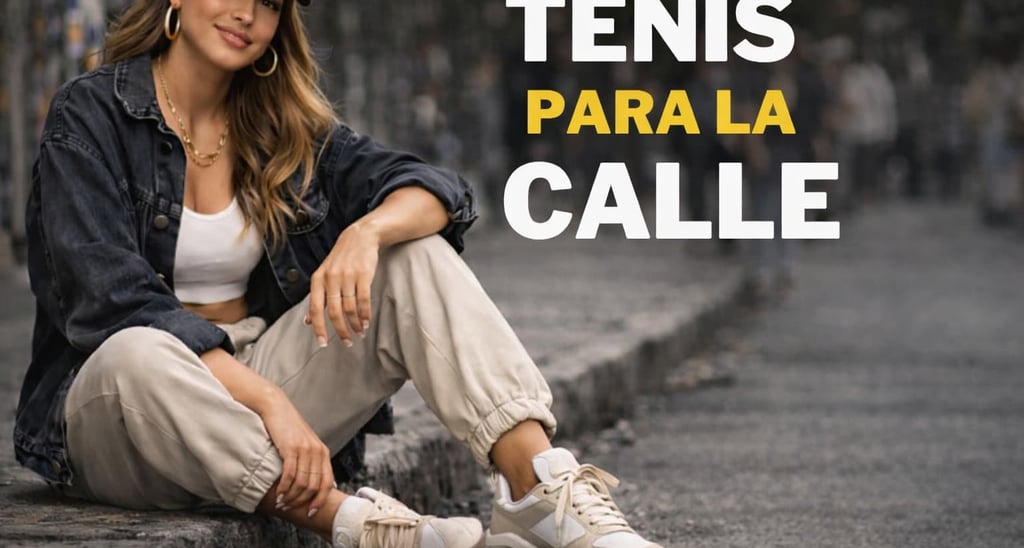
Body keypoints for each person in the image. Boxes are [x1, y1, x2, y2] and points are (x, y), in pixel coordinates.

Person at [13, 1, 663, 547]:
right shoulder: (90, 113)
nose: (247, 14)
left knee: (411, 253)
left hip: (257, 376)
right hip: (121, 412)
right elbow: (110, 300)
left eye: (270, 3)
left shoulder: (282, 128)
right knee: (138, 349)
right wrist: (269, 403)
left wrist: (365, 234)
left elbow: (437, 189)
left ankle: (538, 487)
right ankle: (361, 526)